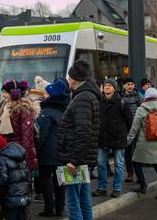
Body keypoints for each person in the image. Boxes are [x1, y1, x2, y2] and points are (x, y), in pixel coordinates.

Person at [57, 60, 101, 220]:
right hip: (81, 158)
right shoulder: (87, 95)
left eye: (70, 77)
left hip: (74, 161)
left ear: (75, 78)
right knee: (83, 200)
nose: (68, 80)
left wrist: (73, 160)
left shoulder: (82, 98)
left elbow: (83, 132)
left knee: (72, 202)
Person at [93, 78, 132, 198]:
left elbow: (129, 121)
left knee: (119, 165)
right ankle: (102, 188)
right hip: (103, 138)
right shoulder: (98, 102)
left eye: (110, 85)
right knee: (100, 163)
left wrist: (125, 135)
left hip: (118, 138)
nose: (107, 87)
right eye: (105, 85)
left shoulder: (122, 102)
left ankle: (116, 188)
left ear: (114, 88)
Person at [128, 88, 157, 200]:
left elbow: (135, 127)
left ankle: (143, 185)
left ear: (146, 96)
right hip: (156, 140)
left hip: (144, 141)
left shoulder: (141, 109)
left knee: (135, 162)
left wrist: (129, 139)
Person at [37, 79, 69, 217]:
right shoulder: (65, 109)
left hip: (47, 153)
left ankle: (49, 208)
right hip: (62, 151)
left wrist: (36, 150)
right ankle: (60, 208)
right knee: (60, 180)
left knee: (45, 178)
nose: (45, 95)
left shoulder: (46, 112)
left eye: (47, 93)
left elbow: (41, 135)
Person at [0, 133, 31, 220]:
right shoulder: (19, 156)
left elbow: (2, 179)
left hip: (10, 200)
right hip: (24, 198)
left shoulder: (1, 159)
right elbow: (28, 175)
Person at [0, 79, 39, 172]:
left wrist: (23, 159)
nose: (3, 95)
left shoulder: (23, 110)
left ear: (14, 93)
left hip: (19, 157)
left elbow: (27, 138)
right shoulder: (5, 109)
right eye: (2, 92)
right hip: (9, 154)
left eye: (5, 92)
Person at [122, 77, 141, 182]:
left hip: (137, 128)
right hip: (126, 129)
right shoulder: (121, 97)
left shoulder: (138, 97)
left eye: (131, 84)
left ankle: (139, 175)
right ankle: (130, 174)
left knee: (138, 151)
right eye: (128, 84)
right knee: (128, 152)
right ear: (124, 86)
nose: (130, 86)